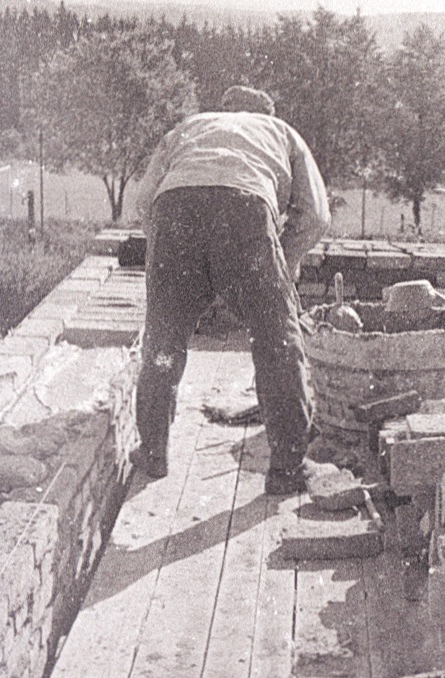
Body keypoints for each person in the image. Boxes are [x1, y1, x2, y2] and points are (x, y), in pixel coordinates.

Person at [133, 86, 331, 494]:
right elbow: (315, 215)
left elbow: (143, 201)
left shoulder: (191, 126)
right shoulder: (280, 130)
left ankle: (153, 451)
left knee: (164, 339)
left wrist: (171, 258)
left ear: (224, 110)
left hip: (175, 211)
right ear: (266, 111)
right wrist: (284, 261)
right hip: (244, 208)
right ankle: (287, 468)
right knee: (278, 338)